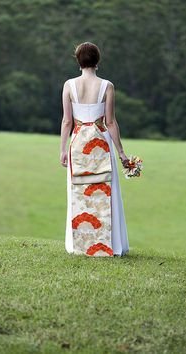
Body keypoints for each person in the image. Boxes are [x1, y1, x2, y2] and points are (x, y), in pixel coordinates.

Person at [60, 41, 130, 257]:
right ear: (97, 61)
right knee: (106, 191)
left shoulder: (69, 85)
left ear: (78, 61)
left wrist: (63, 149)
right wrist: (121, 152)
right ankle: (111, 245)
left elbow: (66, 121)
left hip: (78, 144)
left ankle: (79, 246)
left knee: (79, 190)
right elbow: (111, 122)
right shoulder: (107, 86)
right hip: (102, 143)